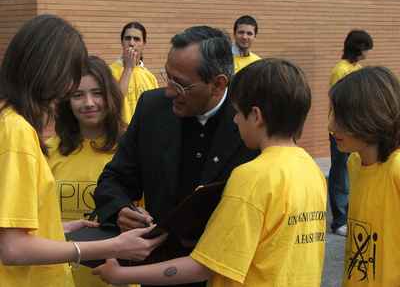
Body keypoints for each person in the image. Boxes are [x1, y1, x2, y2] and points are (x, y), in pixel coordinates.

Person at [93, 58, 327, 287]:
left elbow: (204, 266)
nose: (234, 120)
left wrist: (121, 275)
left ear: (256, 116)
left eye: (237, 112)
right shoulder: (311, 169)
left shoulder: (252, 177)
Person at [0, 14, 166, 287]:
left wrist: (52, 229)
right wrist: (109, 247)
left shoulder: (8, 122)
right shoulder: (16, 131)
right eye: (72, 79)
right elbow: (13, 248)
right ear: (49, 68)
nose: (69, 89)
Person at [93, 25, 258, 287]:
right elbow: (113, 180)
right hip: (158, 271)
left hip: (226, 274)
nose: (169, 91)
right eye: (168, 77)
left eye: (180, 84)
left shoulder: (252, 120)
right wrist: (120, 209)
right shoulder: (152, 108)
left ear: (218, 84)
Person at [47, 55, 126, 287]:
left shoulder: (130, 150)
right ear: (66, 102)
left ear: (111, 96)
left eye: (97, 93)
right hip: (56, 278)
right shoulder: (48, 151)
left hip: (116, 280)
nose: (89, 102)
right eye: (78, 95)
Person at [328, 66, 400, 286]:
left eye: (341, 117)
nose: (330, 126)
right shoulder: (355, 162)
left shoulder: (396, 169)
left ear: (371, 117)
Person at [328, 30, 373, 236]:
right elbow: (339, 103)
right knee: (339, 172)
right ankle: (338, 220)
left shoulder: (358, 68)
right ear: (358, 48)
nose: (367, 53)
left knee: (351, 171)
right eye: (365, 48)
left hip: (356, 128)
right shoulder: (341, 70)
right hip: (341, 129)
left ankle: (348, 214)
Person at [110, 21, 159, 123]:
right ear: (122, 42)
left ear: (143, 44)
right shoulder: (109, 71)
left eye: (136, 39)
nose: (131, 43)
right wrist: (128, 68)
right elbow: (114, 102)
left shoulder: (150, 77)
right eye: (127, 38)